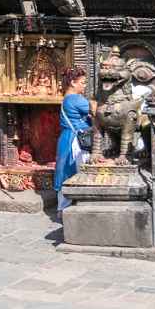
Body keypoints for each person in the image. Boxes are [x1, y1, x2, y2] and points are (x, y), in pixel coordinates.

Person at [54, 67, 94, 215]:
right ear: (72, 82)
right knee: (81, 173)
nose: (84, 86)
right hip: (76, 141)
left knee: (66, 173)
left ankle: (62, 208)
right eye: (82, 82)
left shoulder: (66, 98)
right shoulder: (76, 99)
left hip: (66, 138)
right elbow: (96, 109)